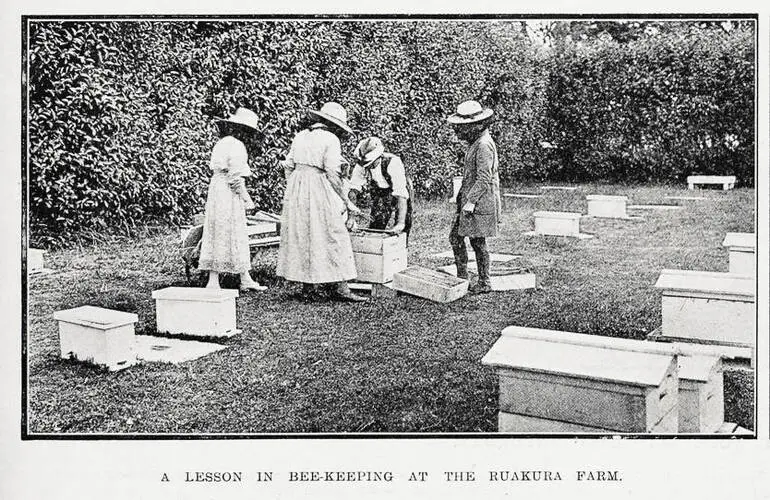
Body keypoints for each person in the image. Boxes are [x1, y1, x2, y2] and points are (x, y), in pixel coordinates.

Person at [276, 102, 367, 302]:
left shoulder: (300, 136)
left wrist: (294, 187)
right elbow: (333, 173)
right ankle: (341, 288)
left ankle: (309, 286)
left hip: (298, 188)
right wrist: (345, 200)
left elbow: (288, 165)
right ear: (332, 125)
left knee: (305, 234)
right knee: (334, 232)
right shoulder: (331, 139)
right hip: (318, 186)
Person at [199, 107, 267, 291]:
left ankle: (239, 278)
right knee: (231, 230)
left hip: (216, 190)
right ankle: (216, 282)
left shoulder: (221, 143)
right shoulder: (237, 146)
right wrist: (248, 200)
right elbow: (235, 179)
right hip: (227, 193)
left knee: (218, 231)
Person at [447, 100, 501, 294]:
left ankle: (484, 282)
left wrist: (470, 202)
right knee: (457, 237)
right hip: (472, 200)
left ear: (473, 126)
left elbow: (484, 177)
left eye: (462, 128)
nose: (458, 132)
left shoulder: (484, 145)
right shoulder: (477, 142)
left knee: (476, 242)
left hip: (480, 201)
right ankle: (463, 277)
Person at [347, 137, 413, 241]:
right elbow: (353, 191)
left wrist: (400, 224)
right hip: (381, 191)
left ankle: (399, 252)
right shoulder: (361, 164)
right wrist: (351, 218)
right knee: (376, 226)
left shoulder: (393, 162)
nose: (367, 167)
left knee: (403, 228)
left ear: (378, 157)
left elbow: (401, 195)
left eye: (370, 164)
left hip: (400, 190)